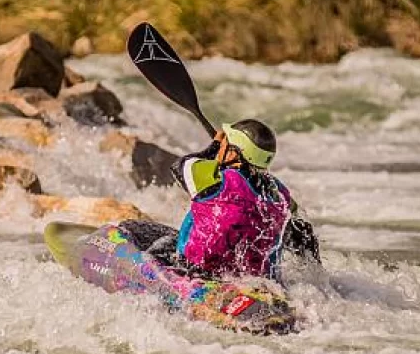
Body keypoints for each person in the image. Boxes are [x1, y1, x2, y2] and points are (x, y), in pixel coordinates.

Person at [119, 119, 319, 281]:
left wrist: (214, 147)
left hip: (197, 270)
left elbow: (180, 166)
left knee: (130, 229)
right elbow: (303, 232)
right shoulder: (279, 193)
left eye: (226, 143)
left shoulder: (215, 178)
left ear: (233, 152)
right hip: (253, 280)